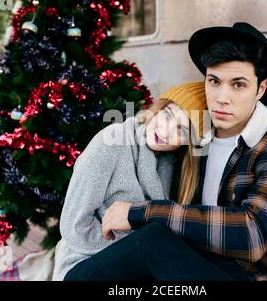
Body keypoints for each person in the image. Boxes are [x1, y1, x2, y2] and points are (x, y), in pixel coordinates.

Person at [100, 22, 267, 281]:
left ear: (260, 88)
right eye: (214, 81)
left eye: (238, 85)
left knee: (151, 241)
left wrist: (142, 212)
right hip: (205, 263)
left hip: (263, 276)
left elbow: (253, 236)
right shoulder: (197, 136)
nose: (221, 98)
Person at [53, 81, 213, 281]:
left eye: (181, 130)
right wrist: (128, 252)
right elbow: (74, 226)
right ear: (158, 108)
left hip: (134, 270)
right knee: (153, 238)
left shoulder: (170, 165)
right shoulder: (112, 141)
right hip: (83, 264)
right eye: (168, 115)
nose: (166, 131)